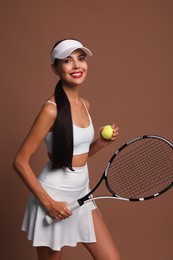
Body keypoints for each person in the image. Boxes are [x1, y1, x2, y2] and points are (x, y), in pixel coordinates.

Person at [13, 38, 121, 260]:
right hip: (52, 196)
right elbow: (20, 162)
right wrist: (49, 204)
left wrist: (100, 143)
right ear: (55, 68)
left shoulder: (85, 105)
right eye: (67, 60)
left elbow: (73, 158)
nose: (76, 66)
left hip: (82, 194)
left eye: (80, 59)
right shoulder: (50, 110)